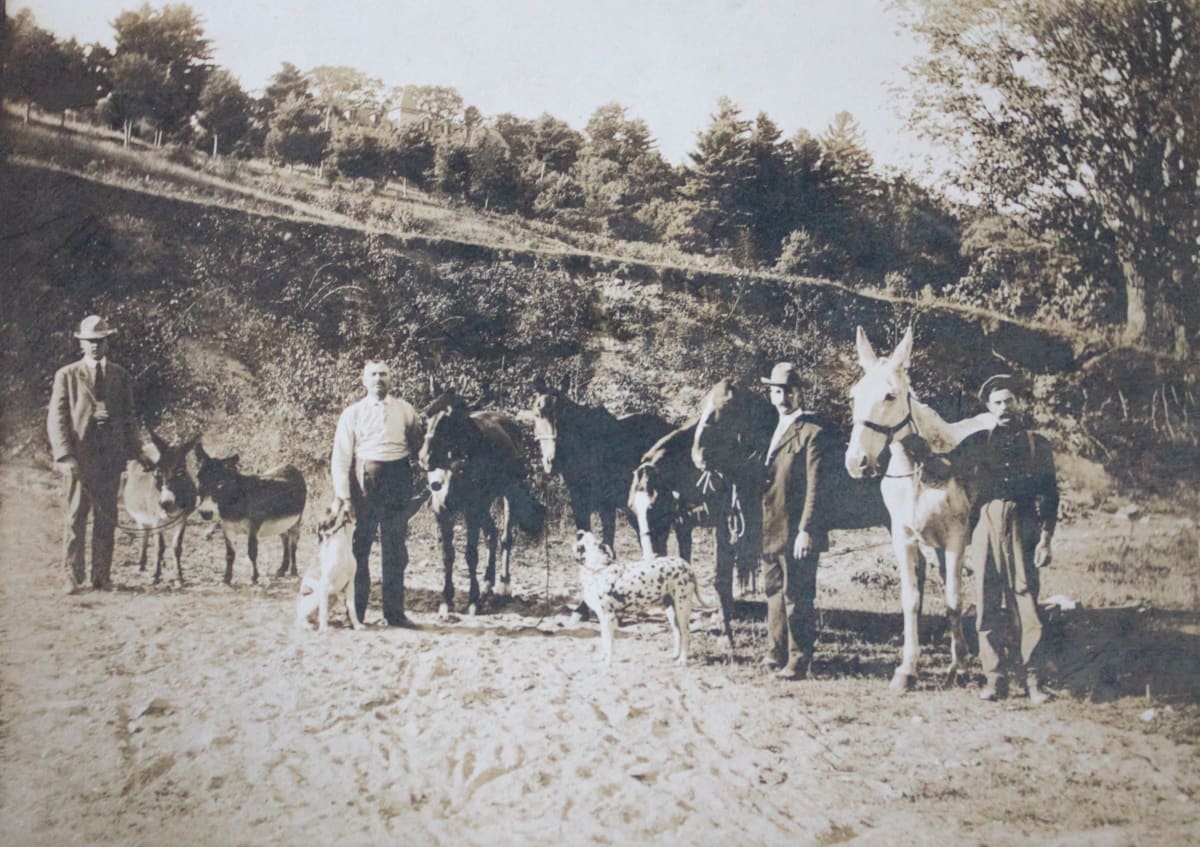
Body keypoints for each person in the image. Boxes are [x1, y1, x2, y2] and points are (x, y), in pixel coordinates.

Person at [952, 373, 1059, 704]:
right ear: (988, 407)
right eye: (997, 402)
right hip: (984, 521)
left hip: (1023, 520)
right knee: (985, 599)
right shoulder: (976, 443)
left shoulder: (1036, 444)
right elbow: (945, 465)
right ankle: (995, 678)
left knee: (1025, 597)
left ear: (1020, 403)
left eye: (1010, 400)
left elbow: (1050, 494)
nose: (1004, 407)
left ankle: (1034, 680)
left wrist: (1045, 539)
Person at [47, 315, 145, 593]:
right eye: (89, 342)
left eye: (100, 341)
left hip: (110, 461)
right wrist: (65, 455)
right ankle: (72, 577)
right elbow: (58, 418)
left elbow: (128, 418)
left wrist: (137, 451)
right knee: (75, 517)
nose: (94, 346)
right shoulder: (66, 376)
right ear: (81, 343)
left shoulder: (120, 376)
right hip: (79, 460)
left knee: (106, 519)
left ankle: (101, 576)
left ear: (107, 343)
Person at [330, 361, 424, 626]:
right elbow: (340, 457)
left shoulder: (406, 410)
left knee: (395, 548)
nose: (378, 379)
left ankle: (394, 614)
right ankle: (355, 614)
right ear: (364, 380)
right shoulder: (353, 413)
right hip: (366, 484)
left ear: (391, 380)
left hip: (398, 480)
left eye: (383, 374)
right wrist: (344, 497)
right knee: (361, 548)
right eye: (373, 374)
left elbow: (421, 448)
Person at [759, 362, 835, 680]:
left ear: (799, 392)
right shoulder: (768, 430)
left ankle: (799, 658)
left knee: (797, 594)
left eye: (788, 390)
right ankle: (775, 653)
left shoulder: (813, 433)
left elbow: (817, 488)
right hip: (770, 525)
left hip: (796, 528)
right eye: (777, 391)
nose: (782, 397)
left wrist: (807, 529)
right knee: (773, 589)